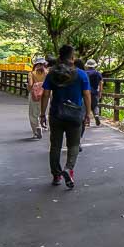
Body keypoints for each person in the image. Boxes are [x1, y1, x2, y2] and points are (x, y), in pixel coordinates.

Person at [39, 45, 91, 189]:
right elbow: (86, 94)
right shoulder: (81, 74)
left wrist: (42, 114)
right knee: (73, 145)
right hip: (75, 115)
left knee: (55, 145)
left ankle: (56, 175)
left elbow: (46, 94)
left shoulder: (52, 74)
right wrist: (88, 114)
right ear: (72, 57)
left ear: (59, 56)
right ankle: (68, 169)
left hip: (56, 114)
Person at [26, 57, 48, 139]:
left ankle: (36, 129)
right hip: (45, 95)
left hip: (34, 95)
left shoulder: (32, 73)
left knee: (33, 114)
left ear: (35, 64)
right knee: (44, 111)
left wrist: (28, 88)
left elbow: (30, 85)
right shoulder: (47, 73)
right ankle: (43, 125)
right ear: (44, 64)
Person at [85, 59, 104, 126]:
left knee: (86, 106)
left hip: (86, 92)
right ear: (94, 66)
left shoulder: (85, 73)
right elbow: (101, 83)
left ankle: (87, 121)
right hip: (94, 92)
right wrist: (100, 92)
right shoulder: (97, 73)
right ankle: (96, 115)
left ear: (87, 66)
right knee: (95, 105)